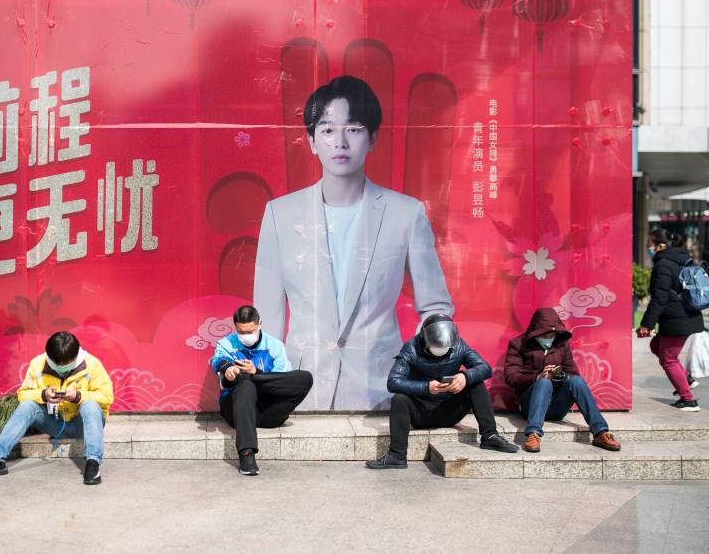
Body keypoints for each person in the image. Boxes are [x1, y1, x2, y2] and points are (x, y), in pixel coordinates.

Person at [254, 75, 453, 411]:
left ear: (373, 137)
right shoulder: (280, 214)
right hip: (303, 388)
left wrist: (423, 365)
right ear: (312, 140)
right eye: (328, 130)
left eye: (354, 129)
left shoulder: (406, 213)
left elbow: (435, 308)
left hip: (382, 388)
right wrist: (267, 386)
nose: (340, 142)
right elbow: (268, 314)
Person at [366, 313, 518, 469]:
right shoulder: (411, 348)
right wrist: (426, 387)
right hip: (421, 413)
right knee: (399, 399)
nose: (441, 352)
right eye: (436, 349)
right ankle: (397, 456)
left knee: (476, 384)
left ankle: (490, 436)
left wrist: (465, 376)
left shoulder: (459, 345)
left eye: (445, 349)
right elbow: (393, 382)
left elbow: (485, 368)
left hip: (449, 410)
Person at [0, 331, 114, 484]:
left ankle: (93, 463)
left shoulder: (93, 364)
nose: (60, 368)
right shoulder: (37, 363)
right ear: (49, 356)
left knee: (91, 405)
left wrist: (78, 396)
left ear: (76, 355)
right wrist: (44, 394)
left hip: (82, 425)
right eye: (56, 364)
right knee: (27, 406)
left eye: (65, 364)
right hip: (55, 423)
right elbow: (22, 395)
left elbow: (107, 397)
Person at [210, 305, 314, 476]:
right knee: (244, 384)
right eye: (241, 332)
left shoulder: (275, 346)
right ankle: (246, 454)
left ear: (260, 324)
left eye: (249, 331)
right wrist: (228, 370)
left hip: (268, 412)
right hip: (236, 411)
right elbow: (217, 360)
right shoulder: (226, 344)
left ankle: (250, 377)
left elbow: (281, 384)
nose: (245, 336)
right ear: (235, 327)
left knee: (304, 378)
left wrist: (256, 374)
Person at [504, 308, 621, 453]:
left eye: (552, 334)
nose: (549, 337)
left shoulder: (561, 343)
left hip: (556, 407)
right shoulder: (518, 344)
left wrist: (563, 377)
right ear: (536, 331)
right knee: (544, 382)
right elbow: (511, 378)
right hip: (530, 406)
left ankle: (600, 432)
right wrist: (537, 377)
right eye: (545, 334)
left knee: (576, 381)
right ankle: (533, 433)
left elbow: (573, 372)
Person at [636, 229, 702, 411]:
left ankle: (688, 399)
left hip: (677, 318)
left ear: (660, 245)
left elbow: (660, 298)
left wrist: (646, 324)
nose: (648, 247)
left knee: (668, 358)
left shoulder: (663, 265)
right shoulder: (679, 259)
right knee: (656, 346)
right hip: (683, 315)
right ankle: (686, 379)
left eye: (649, 242)